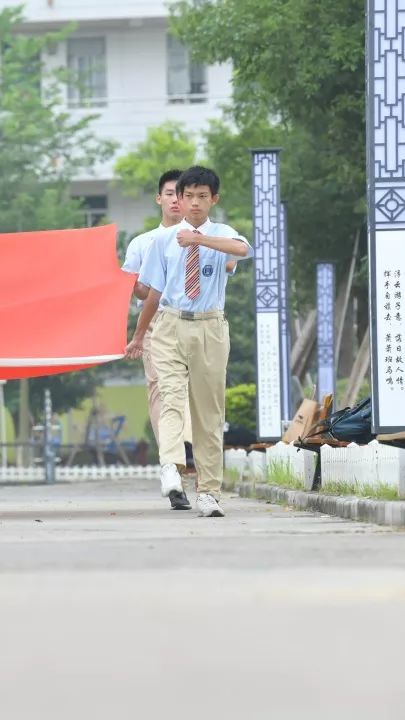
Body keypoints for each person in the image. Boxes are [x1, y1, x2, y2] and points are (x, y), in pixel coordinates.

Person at [124, 166, 252, 518]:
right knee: (170, 398)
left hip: (210, 326)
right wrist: (138, 335)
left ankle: (209, 491)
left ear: (214, 199)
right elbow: (153, 293)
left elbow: (242, 250)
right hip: (169, 325)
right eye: (188, 196)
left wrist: (199, 240)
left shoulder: (222, 233)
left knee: (209, 414)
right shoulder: (161, 241)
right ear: (177, 199)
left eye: (202, 196)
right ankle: (170, 464)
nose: (195, 203)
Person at [122, 169, 193, 511]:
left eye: (183, 193)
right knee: (162, 390)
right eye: (170, 193)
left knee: (194, 393)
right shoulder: (142, 243)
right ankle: (171, 468)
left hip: (196, 323)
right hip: (156, 323)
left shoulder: (202, 237)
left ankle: (184, 459)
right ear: (160, 198)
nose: (177, 200)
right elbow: (135, 288)